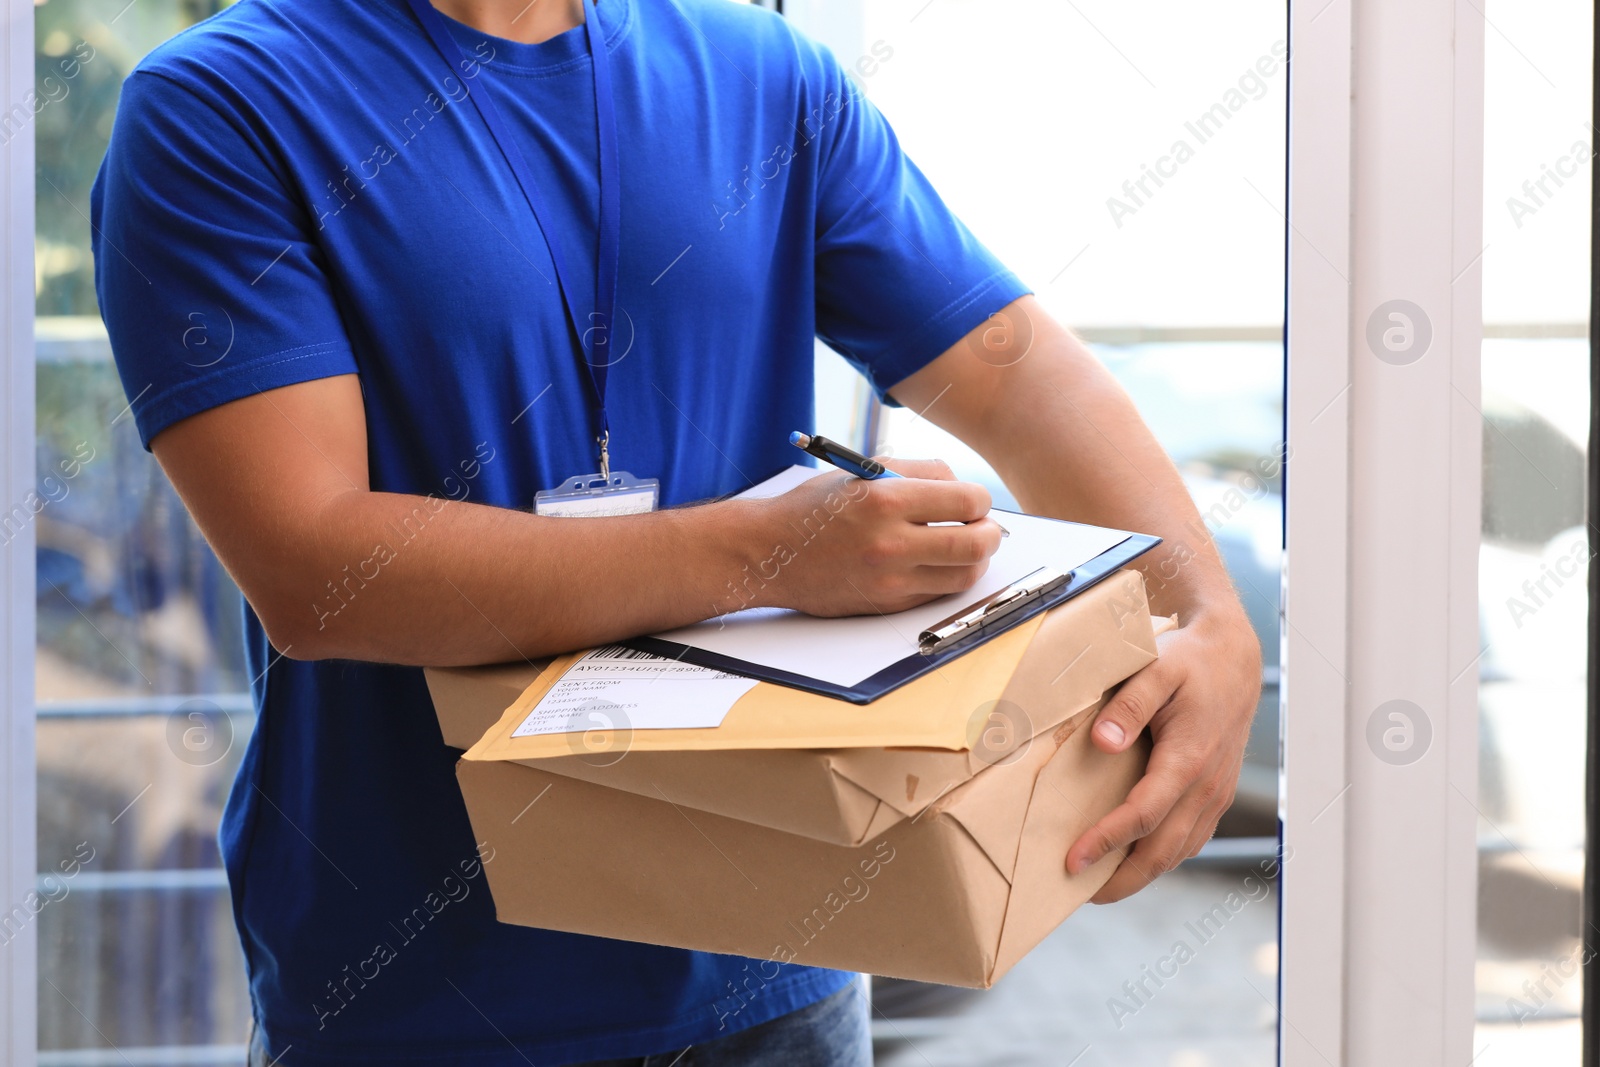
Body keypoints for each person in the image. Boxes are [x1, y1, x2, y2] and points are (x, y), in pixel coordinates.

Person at [91, 0, 1262, 1062]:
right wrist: (771, 555)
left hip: (783, 968)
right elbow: (316, 570)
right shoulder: (220, 107)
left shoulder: (766, 75)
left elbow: (1012, 374)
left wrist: (1210, 617)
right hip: (420, 995)